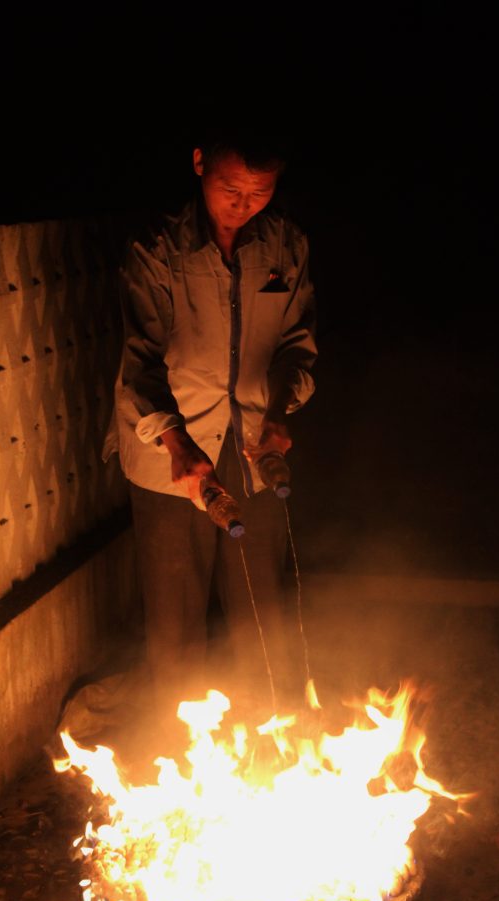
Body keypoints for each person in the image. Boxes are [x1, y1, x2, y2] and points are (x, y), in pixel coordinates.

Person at [104, 134, 317, 723]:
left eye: (260, 192)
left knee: (263, 613)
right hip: (167, 453)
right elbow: (138, 367)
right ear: (199, 163)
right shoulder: (156, 250)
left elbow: (298, 348)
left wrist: (278, 412)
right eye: (231, 189)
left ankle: (274, 748)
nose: (243, 204)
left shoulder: (285, 245)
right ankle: (177, 762)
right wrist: (178, 445)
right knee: (175, 624)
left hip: (252, 451)